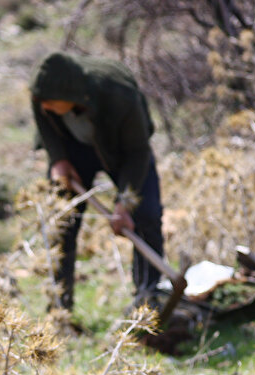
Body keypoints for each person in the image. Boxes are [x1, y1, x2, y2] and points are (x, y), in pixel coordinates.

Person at [30, 51, 164, 312]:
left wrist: (124, 205)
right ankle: (59, 308)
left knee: (146, 214)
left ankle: (146, 304)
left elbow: (138, 152)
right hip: (74, 148)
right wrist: (58, 159)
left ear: (71, 96)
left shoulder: (119, 95)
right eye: (40, 101)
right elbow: (42, 117)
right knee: (60, 218)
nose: (44, 106)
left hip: (125, 151)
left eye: (50, 102)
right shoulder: (44, 91)